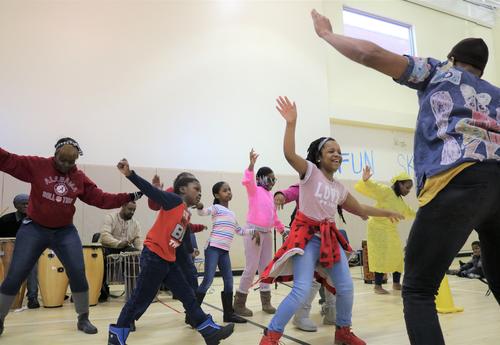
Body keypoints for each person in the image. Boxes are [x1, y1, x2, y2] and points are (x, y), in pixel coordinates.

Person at [311, 10, 500, 345]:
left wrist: (327, 35)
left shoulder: (441, 70)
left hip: (457, 179)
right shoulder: (495, 94)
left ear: (452, 58)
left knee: (417, 289)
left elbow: (370, 54)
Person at [258, 96, 404, 345]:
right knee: (302, 289)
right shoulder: (310, 172)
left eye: (339, 152)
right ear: (318, 156)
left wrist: (387, 212)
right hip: (306, 239)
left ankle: (343, 331)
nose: (336, 154)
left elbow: (361, 208)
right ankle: (271, 336)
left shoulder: (338, 188)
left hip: (329, 239)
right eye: (331, 151)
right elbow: (289, 153)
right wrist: (291, 123)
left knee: (346, 287)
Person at [0, 138, 142, 336]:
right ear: (55, 154)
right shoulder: (38, 165)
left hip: (64, 231)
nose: (66, 165)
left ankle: (83, 318)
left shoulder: (79, 177)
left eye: (71, 162)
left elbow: (100, 198)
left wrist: (129, 196)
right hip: (34, 228)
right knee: (16, 274)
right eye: (62, 160)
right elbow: (8, 160)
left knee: (77, 271)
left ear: (76, 160)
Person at [109, 159, 234, 345]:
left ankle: (209, 331)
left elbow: (182, 233)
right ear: (183, 189)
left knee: (187, 295)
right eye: (196, 188)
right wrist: (130, 174)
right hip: (154, 256)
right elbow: (152, 191)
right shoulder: (174, 201)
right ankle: (117, 336)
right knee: (139, 298)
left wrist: (191, 248)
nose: (199, 193)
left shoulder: (185, 212)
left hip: (168, 260)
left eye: (200, 190)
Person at [274, 184, 336, 331]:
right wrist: (281, 194)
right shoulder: (307, 184)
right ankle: (300, 316)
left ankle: (331, 312)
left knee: (331, 275)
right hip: (306, 239)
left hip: (326, 237)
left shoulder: (330, 186)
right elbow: (292, 191)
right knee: (311, 280)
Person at [234, 149, 285, 317]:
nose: (272, 182)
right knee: (251, 267)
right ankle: (239, 303)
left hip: (267, 233)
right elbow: (247, 180)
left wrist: (282, 230)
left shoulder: (271, 196)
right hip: (253, 232)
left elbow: (274, 216)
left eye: (273, 179)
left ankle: (266, 302)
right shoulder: (254, 190)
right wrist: (251, 165)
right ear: (260, 179)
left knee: (265, 268)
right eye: (269, 179)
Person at [196, 181, 254, 324]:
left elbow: (239, 230)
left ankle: (228, 314)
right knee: (208, 280)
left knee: (229, 281)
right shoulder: (216, 208)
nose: (228, 192)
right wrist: (200, 207)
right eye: (224, 190)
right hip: (213, 249)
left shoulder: (232, 214)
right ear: (217, 195)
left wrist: (253, 232)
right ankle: (192, 314)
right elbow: (203, 212)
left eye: (229, 189)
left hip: (224, 252)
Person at [355, 166, 416, 294]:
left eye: (410, 189)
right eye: (407, 187)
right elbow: (374, 187)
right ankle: (377, 286)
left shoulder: (400, 201)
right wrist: (366, 181)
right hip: (377, 228)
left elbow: (409, 212)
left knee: (397, 255)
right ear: (399, 183)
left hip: (390, 229)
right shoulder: (386, 191)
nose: (408, 191)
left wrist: (421, 213)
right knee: (380, 255)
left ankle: (396, 283)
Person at [0, 194, 40, 309]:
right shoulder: (5, 220)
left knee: (32, 266)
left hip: (29, 253)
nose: (26, 206)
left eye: (28, 203)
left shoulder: (36, 220)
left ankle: (32, 298)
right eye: (23, 203)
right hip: (7, 254)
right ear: (16, 205)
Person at [99, 201, 143, 302]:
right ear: (122, 206)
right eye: (130, 209)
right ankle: (102, 290)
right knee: (101, 258)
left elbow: (138, 242)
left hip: (125, 250)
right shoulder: (110, 217)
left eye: (134, 210)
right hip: (108, 248)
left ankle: (133, 292)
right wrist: (119, 243)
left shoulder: (136, 224)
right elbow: (104, 236)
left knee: (136, 255)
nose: (132, 212)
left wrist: (142, 254)